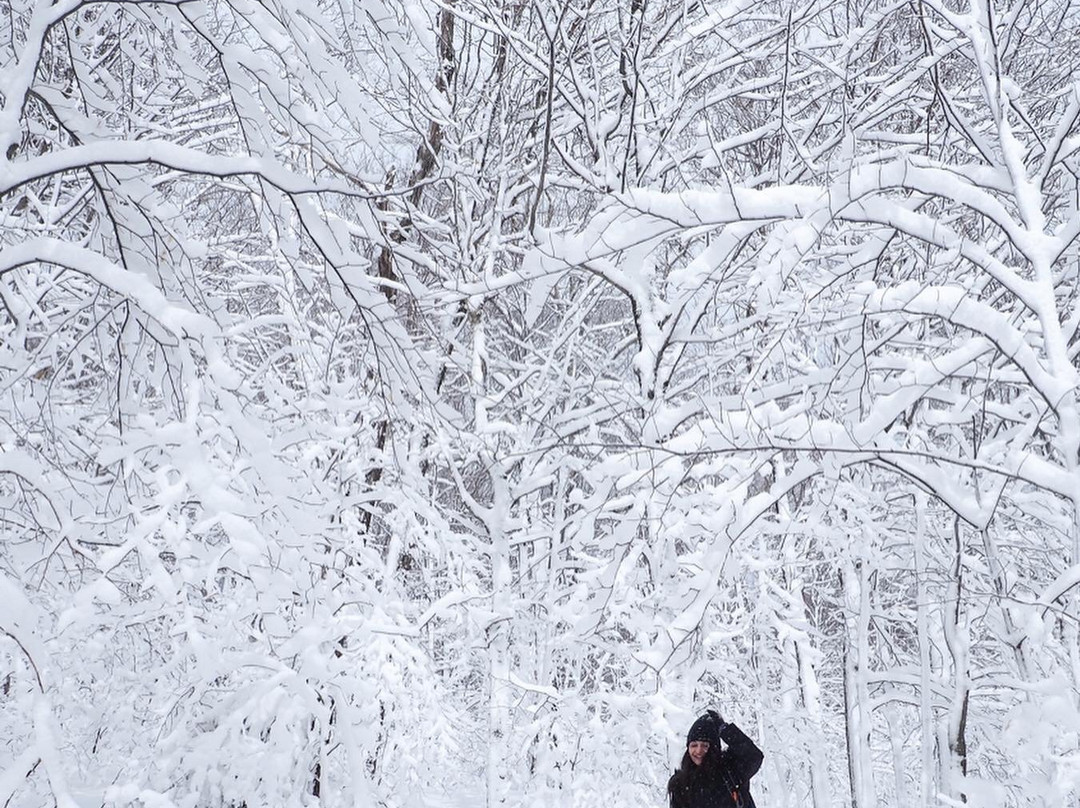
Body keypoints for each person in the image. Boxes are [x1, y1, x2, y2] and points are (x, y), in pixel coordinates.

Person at [667, 710, 763, 808]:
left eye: (705, 745)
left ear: (714, 748)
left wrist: (725, 730)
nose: (698, 750)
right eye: (694, 745)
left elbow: (753, 755)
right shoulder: (680, 783)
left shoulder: (731, 771)